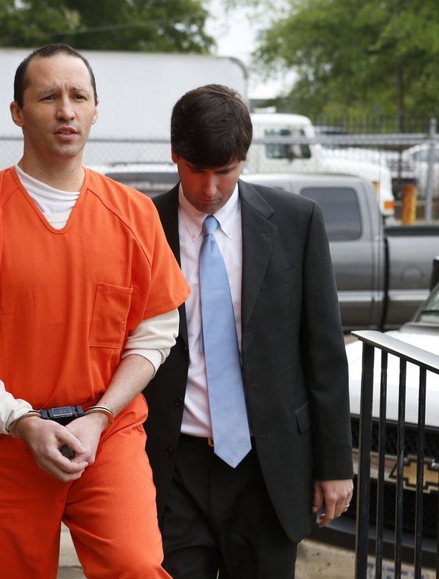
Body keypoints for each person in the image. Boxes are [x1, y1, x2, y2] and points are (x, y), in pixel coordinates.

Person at [0, 43, 189, 578]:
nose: (66, 110)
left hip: (108, 434)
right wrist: (21, 420)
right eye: (48, 96)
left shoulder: (134, 215)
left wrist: (101, 416)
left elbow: (155, 332)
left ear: (96, 110)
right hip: (5, 441)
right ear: (17, 112)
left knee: (138, 565)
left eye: (79, 96)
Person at [143, 83, 354, 578]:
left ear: (244, 158)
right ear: (175, 154)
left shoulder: (296, 221)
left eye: (226, 171)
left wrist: (335, 464)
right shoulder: (141, 226)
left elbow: (324, 352)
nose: (210, 188)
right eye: (197, 170)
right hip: (172, 465)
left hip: (270, 466)